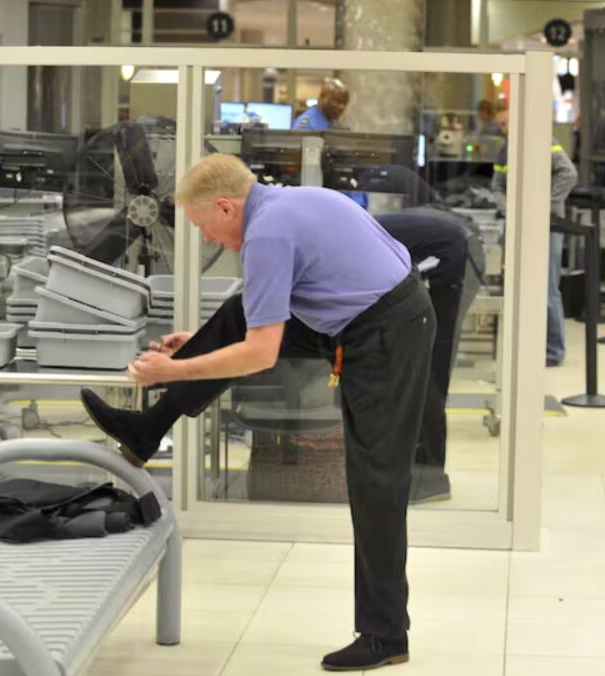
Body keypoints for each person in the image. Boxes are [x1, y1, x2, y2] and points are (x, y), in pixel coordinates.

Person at [79, 153, 435, 672]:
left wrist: (174, 371)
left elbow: (260, 354)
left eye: (205, 227)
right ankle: (148, 429)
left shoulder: (267, 233)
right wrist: (197, 350)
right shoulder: (286, 204)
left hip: (389, 333)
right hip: (366, 314)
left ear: (226, 206)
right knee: (236, 314)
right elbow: (259, 319)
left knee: (376, 480)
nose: (208, 240)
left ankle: (386, 634)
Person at [376, 207, 483, 503]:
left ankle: (432, 476)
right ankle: (418, 466)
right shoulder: (345, 233)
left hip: (458, 259)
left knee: (432, 368)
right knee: (421, 366)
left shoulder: (344, 242)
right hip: (448, 256)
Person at [491, 100, 578, 367]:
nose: (505, 128)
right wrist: (511, 208)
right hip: (519, 225)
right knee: (519, 286)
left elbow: (569, 173)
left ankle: (553, 351)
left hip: (547, 226)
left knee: (547, 288)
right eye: (502, 124)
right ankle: (525, 347)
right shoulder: (506, 148)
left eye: (507, 123)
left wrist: (545, 207)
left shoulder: (543, 141)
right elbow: (497, 184)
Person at [294, 77, 368, 210]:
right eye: (337, 101)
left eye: (344, 103)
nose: (341, 107)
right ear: (322, 97)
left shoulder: (334, 124)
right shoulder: (307, 124)